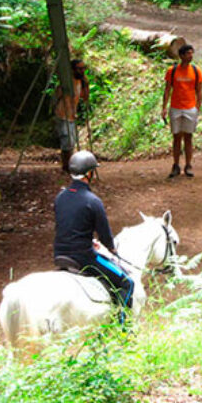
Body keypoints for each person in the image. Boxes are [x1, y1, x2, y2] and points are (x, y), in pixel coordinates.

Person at [53, 150, 134, 321]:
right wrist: (111, 249)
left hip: (60, 254)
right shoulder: (92, 201)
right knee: (127, 282)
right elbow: (106, 239)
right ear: (89, 173)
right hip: (84, 257)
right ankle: (122, 327)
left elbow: (69, 225)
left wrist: (88, 239)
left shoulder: (60, 197)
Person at [161, 44, 202, 178]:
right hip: (175, 108)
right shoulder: (172, 71)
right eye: (188, 54)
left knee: (188, 137)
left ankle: (188, 165)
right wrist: (164, 107)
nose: (191, 56)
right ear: (181, 56)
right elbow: (167, 90)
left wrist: (198, 107)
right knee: (176, 137)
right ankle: (176, 165)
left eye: (192, 53)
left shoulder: (196, 71)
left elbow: (199, 90)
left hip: (190, 108)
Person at [54, 59, 90, 172]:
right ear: (73, 70)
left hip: (71, 115)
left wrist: (86, 84)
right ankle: (66, 166)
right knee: (67, 141)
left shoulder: (80, 82)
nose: (82, 71)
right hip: (62, 113)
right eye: (79, 69)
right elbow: (57, 94)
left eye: (83, 68)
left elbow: (85, 97)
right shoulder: (67, 82)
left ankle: (68, 165)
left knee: (71, 142)